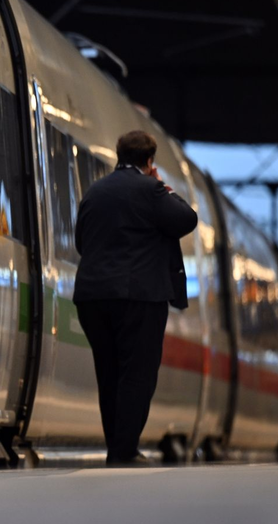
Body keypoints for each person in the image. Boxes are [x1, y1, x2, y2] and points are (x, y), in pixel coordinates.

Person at [74, 130, 198, 465]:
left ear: (120, 156)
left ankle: (117, 448)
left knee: (109, 374)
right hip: (138, 297)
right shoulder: (151, 189)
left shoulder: (95, 192)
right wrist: (163, 186)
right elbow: (187, 219)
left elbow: (82, 242)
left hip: (92, 298)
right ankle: (124, 451)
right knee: (137, 374)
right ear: (149, 161)